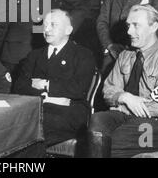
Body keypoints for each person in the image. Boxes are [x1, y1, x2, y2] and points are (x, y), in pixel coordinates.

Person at [87, 4, 158, 158]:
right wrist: (124, 97)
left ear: (154, 26)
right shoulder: (125, 55)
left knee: (105, 145)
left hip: (156, 124)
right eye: (129, 25)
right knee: (97, 122)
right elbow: (108, 90)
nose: (129, 32)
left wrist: (123, 107)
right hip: (126, 117)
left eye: (136, 26)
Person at [13, 8, 96, 146]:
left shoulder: (83, 55)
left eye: (53, 25)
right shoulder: (34, 55)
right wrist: (47, 97)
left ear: (68, 30)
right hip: (38, 108)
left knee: (32, 131)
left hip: (68, 113)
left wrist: (45, 84)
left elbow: (78, 89)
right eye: (45, 25)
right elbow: (20, 86)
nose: (47, 29)